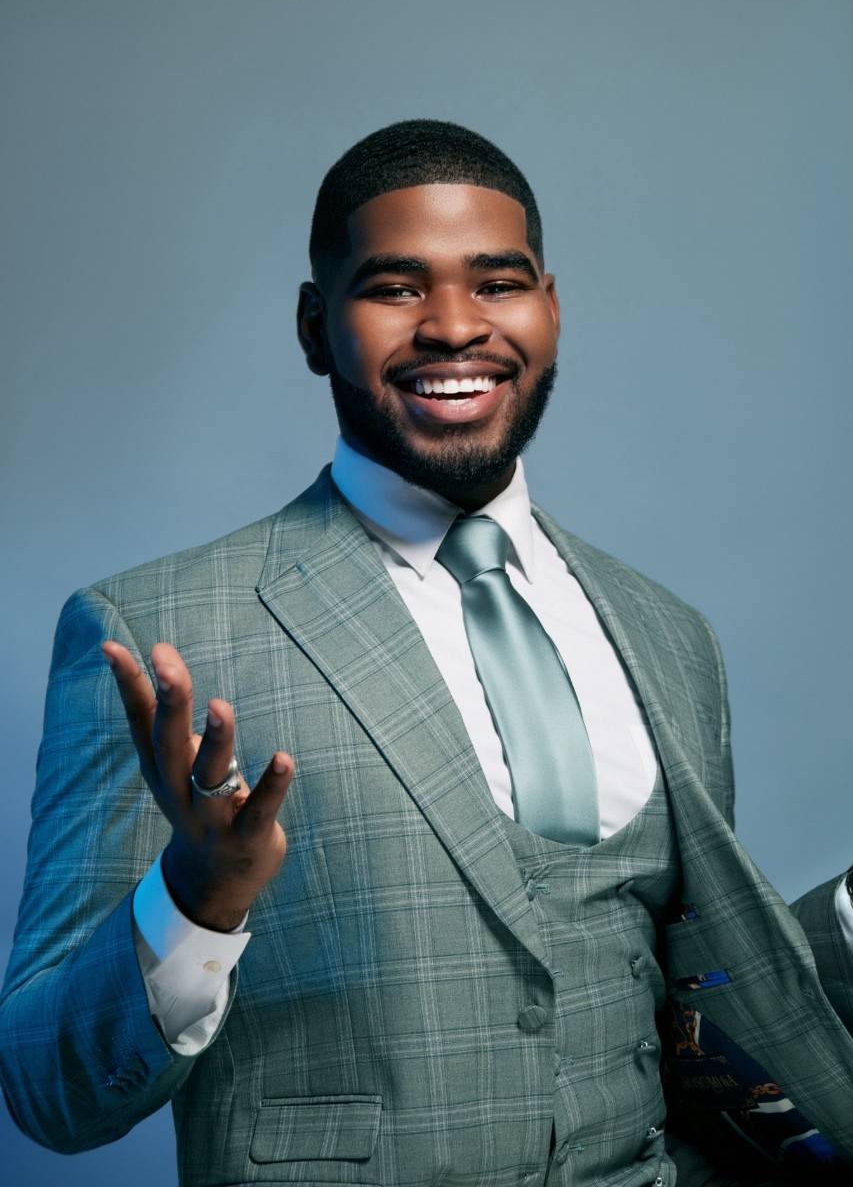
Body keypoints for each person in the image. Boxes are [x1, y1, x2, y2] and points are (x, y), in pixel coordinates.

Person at [1, 119, 852, 1187]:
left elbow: (691, 1003)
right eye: (395, 287)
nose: (454, 325)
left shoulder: (668, 633)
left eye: (495, 282)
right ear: (316, 325)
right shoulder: (153, 630)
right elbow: (47, 1090)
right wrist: (196, 895)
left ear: (550, 306)